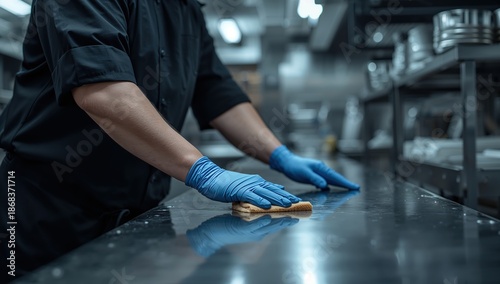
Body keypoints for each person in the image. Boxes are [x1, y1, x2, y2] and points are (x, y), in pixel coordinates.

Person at [0, 0, 360, 281]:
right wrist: (203, 171)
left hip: (135, 213)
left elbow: (216, 90)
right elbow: (103, 91)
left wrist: (279, 154)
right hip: (45, 206)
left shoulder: (186, 8)